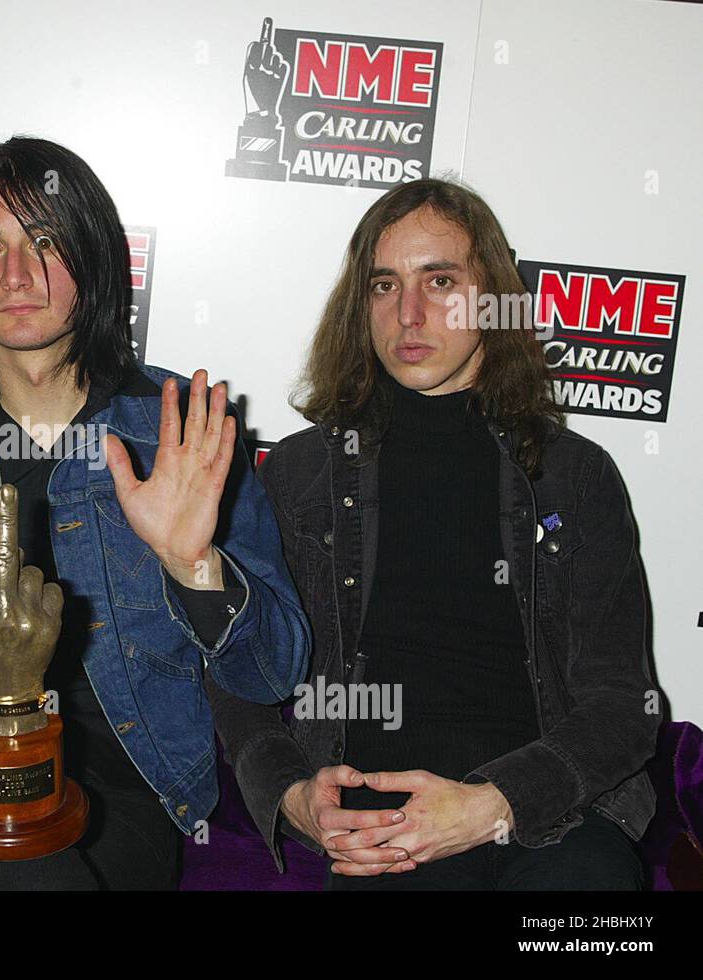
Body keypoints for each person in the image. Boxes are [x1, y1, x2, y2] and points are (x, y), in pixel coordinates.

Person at [0, 136, 310, 890]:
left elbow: (271, 674)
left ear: (94, 262)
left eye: (46, 241)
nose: (16, 274)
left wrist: (191, 565)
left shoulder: (180, 427)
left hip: (122, 788)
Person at [207, 178, 658, 890]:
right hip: (382, 829)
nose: (409, 313)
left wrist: (492, 804)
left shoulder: (573, 476)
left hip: (553, 816)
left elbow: (623, 703)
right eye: (384, 285)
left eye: (439, 280)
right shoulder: (300, 476)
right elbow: (239, 680)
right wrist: (293, 795)